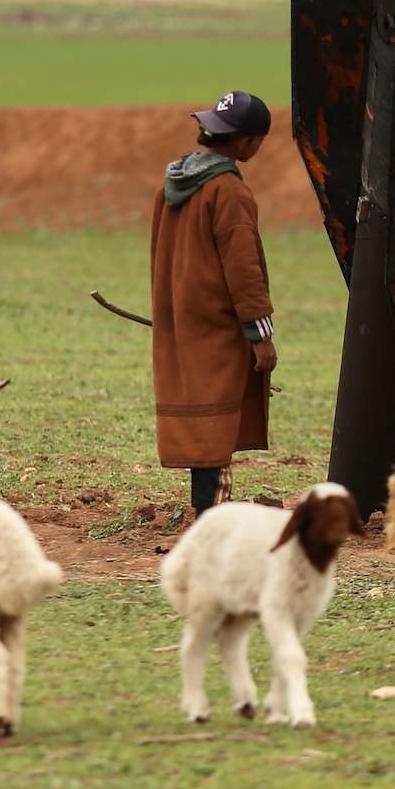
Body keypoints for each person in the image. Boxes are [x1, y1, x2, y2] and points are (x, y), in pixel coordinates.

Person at [149, 90, 278, 518]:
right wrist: (261, 336)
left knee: (200, 412)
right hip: (216, 324)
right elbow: (245, 272)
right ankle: (213, 518)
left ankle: (206, 508)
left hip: (180, 315)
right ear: (245, 143)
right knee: (216, 418)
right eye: (258, 141)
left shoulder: (172, 185)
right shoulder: (229, 192)